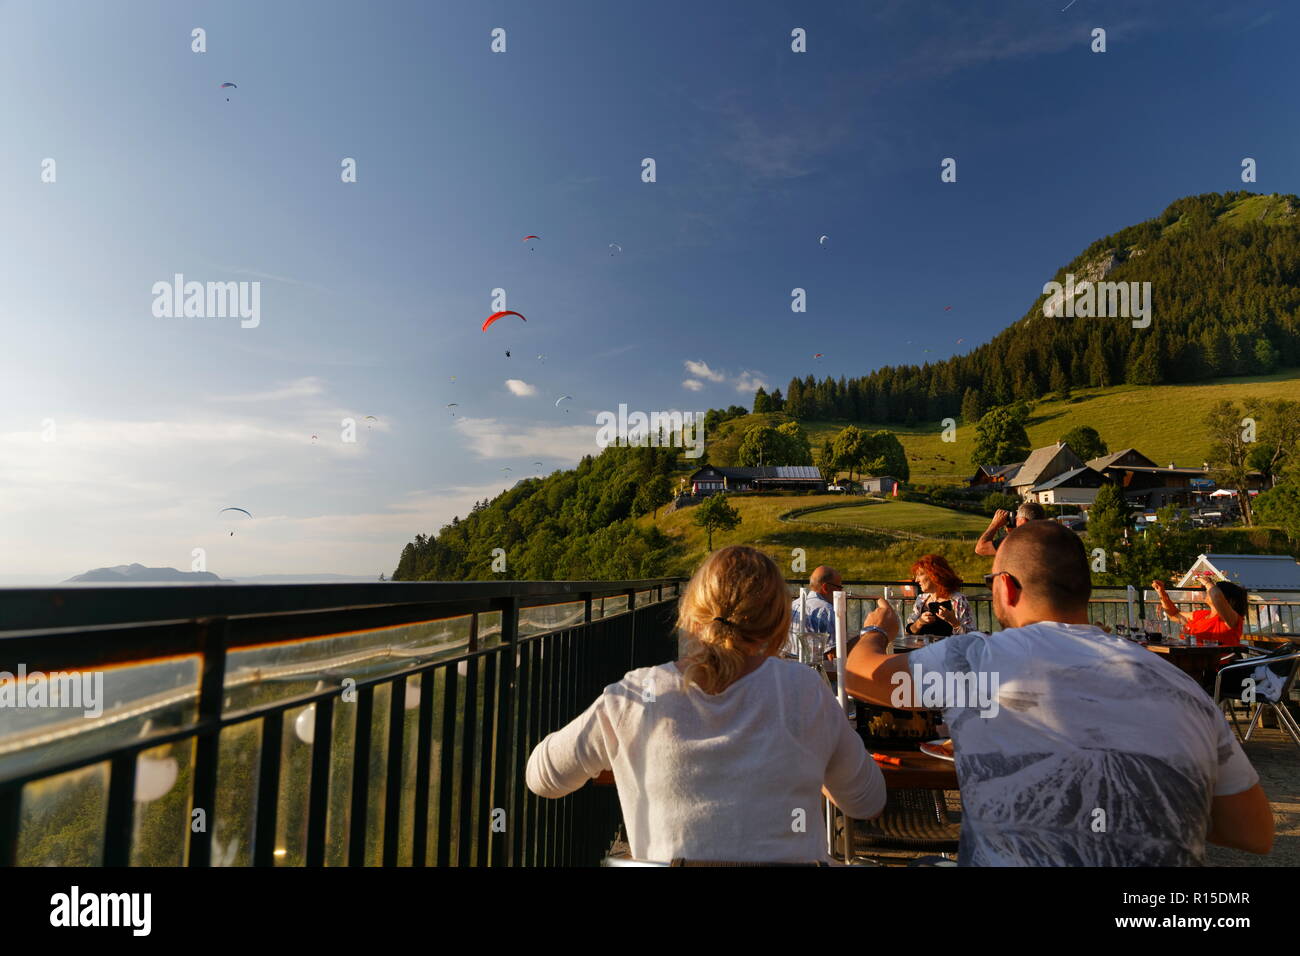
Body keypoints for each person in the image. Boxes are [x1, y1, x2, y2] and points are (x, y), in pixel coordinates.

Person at [844, 521, 1273, 866]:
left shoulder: (975, 663)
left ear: (1005, 587)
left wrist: (877, 628)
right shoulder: (1180, 686)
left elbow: (861, 677)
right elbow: (1252, 832)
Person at [525, 545, 886, 864]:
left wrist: (622, 751)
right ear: (778, 623)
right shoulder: (805, 690)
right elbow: (867, 803)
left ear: (692, 611)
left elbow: (542, 778)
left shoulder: (636, 694)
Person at [1151, 578, 1246, 647]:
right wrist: (1162, 593)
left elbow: (1216, 596)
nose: (1208, 591)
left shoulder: (1232, 619)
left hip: (1215, 666)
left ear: (1228, 599)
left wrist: (1207, 582)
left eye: (1212, 589)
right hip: (1192, 660)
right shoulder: (1202, 615)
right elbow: (1174, 615)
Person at [904, 554, 974, 638]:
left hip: (948, 649)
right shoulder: (921, 599)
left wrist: (953, 621)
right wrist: (919, 622)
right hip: (923, 649)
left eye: (920, 574)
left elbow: (971, 636)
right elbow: (908, 633)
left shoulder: (957, 599)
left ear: (934, 575)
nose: (916, 580)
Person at [974, 501, 1046, 556]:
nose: (1015, 520)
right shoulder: (1049, 537)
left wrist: (994, 524)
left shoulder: (1017, 542)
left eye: (1017, 518)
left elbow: (980, 548)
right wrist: (1012, 533)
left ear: (1023, 521)